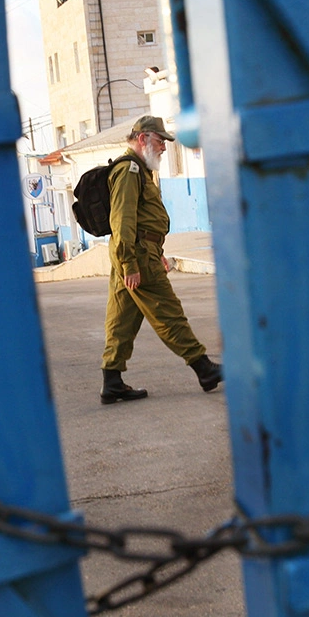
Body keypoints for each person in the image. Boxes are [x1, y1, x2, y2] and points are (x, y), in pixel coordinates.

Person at [99, 115, 222, 404]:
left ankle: (112, 380)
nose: (165, 148)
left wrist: (157, 250)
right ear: (143, 139)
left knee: (122, 318)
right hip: (136, 256)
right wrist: (131, 263)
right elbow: (123, 220)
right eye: (160, 141)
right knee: (168, 312)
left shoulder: (138, 170)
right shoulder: (129, 170)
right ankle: (203, 368)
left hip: (139, 252)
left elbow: (141, 221)